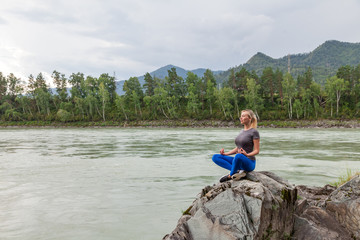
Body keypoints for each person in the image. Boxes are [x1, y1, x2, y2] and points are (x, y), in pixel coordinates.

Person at [212, 109, 260, 182]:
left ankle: (230, 175)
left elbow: (257, 150)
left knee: (238, 156)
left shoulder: (254, 132)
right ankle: (238, 172)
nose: (241, 118)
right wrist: (225, 153)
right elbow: (238, 148)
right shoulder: (241, 131)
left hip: (249, 162)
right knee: (215, 157)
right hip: (238, 161)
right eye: (241, 116)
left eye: (243, 116)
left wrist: (246, 154)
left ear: (250, 118)